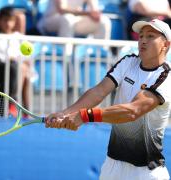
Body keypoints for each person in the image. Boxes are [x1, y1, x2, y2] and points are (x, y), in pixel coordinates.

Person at [45, 19, 171, 180]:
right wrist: (65, 113)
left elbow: (133, 111)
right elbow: (99, 91)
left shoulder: (166, 76)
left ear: (165, 45)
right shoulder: (128, 61)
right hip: (113, 166)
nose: (143, 41)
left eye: (150, 36)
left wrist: (85, 116)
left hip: (146, 171)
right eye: (140, 36)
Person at [0, 6, 31, 112]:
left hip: (18, 66)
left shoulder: (19, 36)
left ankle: (24, 109)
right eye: (5, 20)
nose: (8, 24)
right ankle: (13, 103)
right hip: (5, 67)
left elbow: (26, 57)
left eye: (11, 21)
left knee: (23, 70)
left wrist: (23, 62)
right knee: (18, 69)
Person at [36, 0, 111, 40]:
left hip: (73, 21)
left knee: (103, 21)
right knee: (67, 19)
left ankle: (100, 58)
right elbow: (62, 9)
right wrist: (87, 13)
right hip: (50, 20)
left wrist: (96, 14)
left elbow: (94, 11)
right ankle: (66, 59)